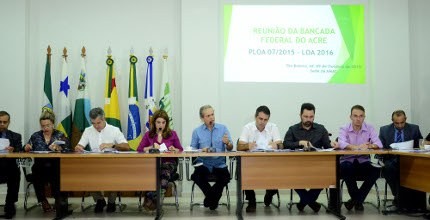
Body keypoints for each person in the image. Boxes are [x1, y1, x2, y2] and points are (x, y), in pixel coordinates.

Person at [75, 107, 130, 213]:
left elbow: (126, 146)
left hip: (112, 164)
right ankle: (99, 200)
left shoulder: (114, 130)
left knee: (115, 174)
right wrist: (78, 148)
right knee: (85, 174)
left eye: (98, 123)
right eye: (93, 123)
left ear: (104, 118)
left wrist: (113, 145)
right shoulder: (88, 130)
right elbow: (79, 146)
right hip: (93, 163)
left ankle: (111, 201)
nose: (96, 126)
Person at [284, 103, 334, 212]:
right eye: (305, 116)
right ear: (300, 115)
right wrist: (300, 142)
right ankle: (310, 201)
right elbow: (285, 144)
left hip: (316, 166)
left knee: (328, 174)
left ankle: (304, 201)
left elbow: (328, 147)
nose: (308, 119)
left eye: (311, 117)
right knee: (289, 174)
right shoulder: (293, 129)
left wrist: (334, 145)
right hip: (297, 166)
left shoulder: (321, 129)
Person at [24, 110, 72, 218]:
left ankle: (58, 200)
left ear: (53, 124)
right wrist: (26, 147)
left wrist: (60, 149)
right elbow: (24, 148)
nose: (45, 128)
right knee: (36, 173)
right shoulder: (35, 136)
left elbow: (69, 149)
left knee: (59, 174)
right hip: (40, 166)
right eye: (43, 126)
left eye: (48, 125)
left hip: (55, 166)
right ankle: (43, 200)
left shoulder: (60, 134)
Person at [237, 105, 282, 213]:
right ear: (255, 117)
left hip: (269, 163)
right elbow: (239, 146)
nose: (262, 122)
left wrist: (277, 146)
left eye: (265, 119)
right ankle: (251, 200)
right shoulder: (248, 128)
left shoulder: (273, 127)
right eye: (260, 119)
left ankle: (270, 193)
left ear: (268, 119)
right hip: (251, 163)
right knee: (244, 171)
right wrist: (247, 146)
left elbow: (281, 145)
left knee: (278, 170)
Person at [337, 105, 382, 211]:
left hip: (363, 161)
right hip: (347, 161)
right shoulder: (344, 128)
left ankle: (355, 200)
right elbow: (341, 142)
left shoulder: (369, 128)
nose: (358, 119)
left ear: (364, 117)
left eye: (361, 116)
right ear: (350, 117)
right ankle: (358, 201)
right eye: (355, 116)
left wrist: (369, 145)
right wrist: (355, 147)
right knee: (346, 168)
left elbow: (379, 144)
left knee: (376, 170)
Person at [137, 109, 183, 211]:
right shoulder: (149, 135)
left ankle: (151, 197)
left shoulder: (173, 134)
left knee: (164, 170)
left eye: (163, 122)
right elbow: (139, 150)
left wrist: (173, 149)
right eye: (158, 122)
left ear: (166, 123)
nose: (161, 125)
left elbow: (180, 149)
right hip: (152, 164)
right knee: (157, 171)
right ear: (154, 123)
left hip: (169, 164)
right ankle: (156, 200)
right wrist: (151, 147)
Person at [190, 105, 233, 210]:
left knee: (226, 177)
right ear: (202, 118)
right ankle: (213, 198)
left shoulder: (223, 128)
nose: (211, 118)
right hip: (203, 164)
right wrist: (201, 150)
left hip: (219, 164)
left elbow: (230, 148)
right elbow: (192, 150)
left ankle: (209, 199)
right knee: (196, 176)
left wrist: (227, 143)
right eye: (208, 115)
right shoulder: (197, 131)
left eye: (212, 114)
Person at [379, 110, 422, 207]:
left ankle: (403, 197)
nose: (400, 126)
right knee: (387, 168)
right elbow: (380, 147)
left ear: (405, 119)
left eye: (402, 122)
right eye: (396, 123)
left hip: (408, 159)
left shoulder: (414, 128)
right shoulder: (384, 130)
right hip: (390, 159)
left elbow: (420, 145)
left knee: (417, 169)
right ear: (392, 121)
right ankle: (398, 195)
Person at [0, 111, 21, 219]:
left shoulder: (16, 136)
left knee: (15, 172)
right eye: (0, 122)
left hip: (8, 168)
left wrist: (13, 151)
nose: (2, 124)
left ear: (9, 122)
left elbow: (20, 152)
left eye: (5, 122)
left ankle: (9, 206)